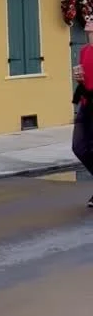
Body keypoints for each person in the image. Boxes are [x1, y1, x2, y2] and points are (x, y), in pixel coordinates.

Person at [72, 16, 93, 209]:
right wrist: (79, 79)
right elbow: (85, 81)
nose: (87, 20)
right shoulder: (84, 51)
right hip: (86, 104)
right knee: (78, 147)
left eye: (91, 18)